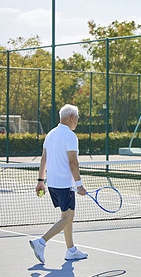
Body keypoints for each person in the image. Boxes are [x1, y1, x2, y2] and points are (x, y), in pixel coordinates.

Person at [29, 104, 88, 263]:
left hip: (52, 184)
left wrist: (40, 181)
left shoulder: (51, 134)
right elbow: (73, 162)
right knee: (67, 217)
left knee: (67, 215)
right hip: (65, 185)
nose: (77, 121)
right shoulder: (70, 136)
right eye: (77, 118)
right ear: (71, 118)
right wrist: (79, 184)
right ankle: (41, 242)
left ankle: (71, 250)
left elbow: (43, 159)